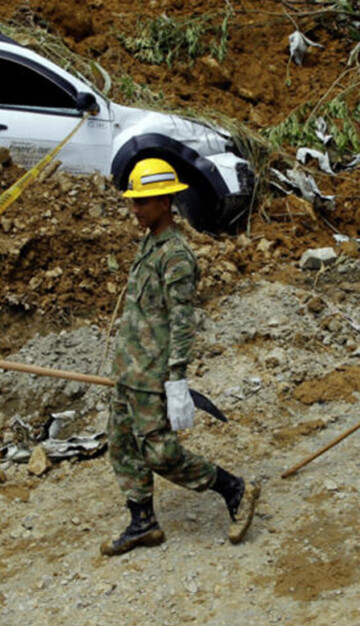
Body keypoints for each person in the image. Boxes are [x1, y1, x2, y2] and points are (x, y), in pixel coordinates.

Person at [101, 158, 260, 556]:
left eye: (142, 202)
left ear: (165, 201)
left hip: (152, 375)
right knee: (121, 445)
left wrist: (176, 380)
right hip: (129, 372)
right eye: (133, 202)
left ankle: (234, 489)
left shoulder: (175, 256)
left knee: (159, 452)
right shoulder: (149, 244)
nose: (134, 210)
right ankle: (143, 522)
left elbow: (182, 322)